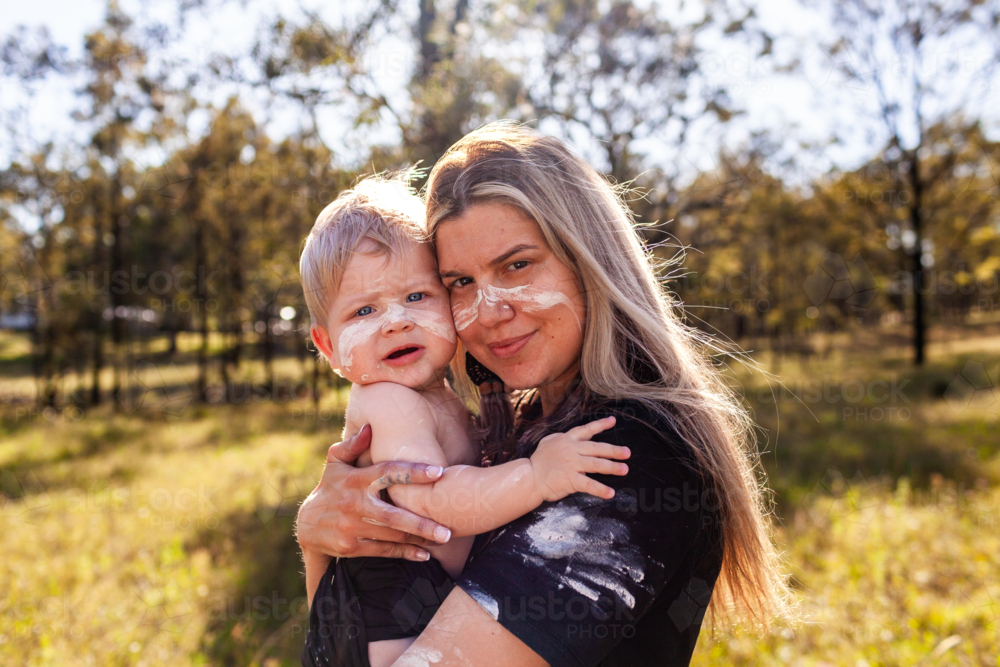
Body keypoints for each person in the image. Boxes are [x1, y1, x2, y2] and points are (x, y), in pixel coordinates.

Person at [296, 123, 794, 667]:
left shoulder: (627, 453)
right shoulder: (526, 425)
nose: (490, 310)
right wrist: (317, 536)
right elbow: (344, 629)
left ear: (587, 260)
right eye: (461, 282)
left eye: (517, 265)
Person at [297, 175, 633, 667]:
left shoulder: (443, 399)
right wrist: (535, 477)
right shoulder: (389, 401)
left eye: (416, 296)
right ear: (327, 347)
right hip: (390, 622)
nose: (395, 322)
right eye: (364, 310)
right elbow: (432, 503)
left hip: (416, 608)